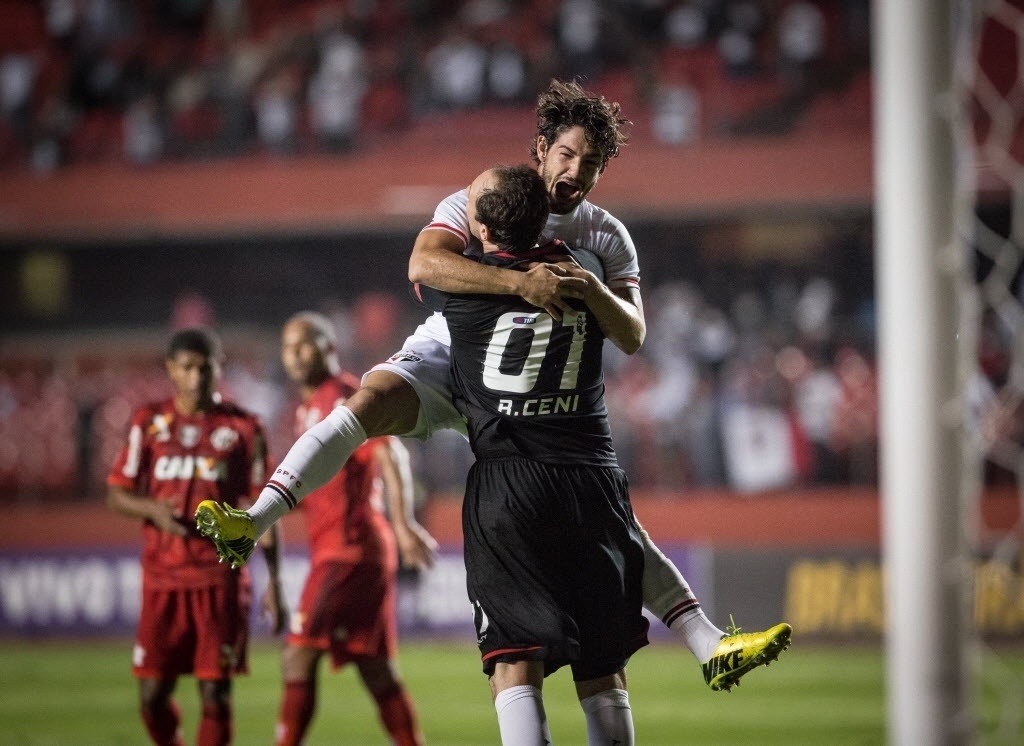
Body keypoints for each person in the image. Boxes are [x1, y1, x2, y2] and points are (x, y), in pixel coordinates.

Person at [196, 78, 790, 693]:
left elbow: (634, 332)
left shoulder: (606, 235)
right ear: (541, 148)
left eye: (590, 163)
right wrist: (520, 285)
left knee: (602, 511)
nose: (575, 171)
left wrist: (592, 293)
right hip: (451, 354)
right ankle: (255, 519)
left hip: (526, 385)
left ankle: (707, 642)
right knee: (364, 406)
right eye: (566, 155)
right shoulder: (477, 199)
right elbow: (423, 264)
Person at [421, 163, 649, 744]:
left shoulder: (463, 293)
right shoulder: (583, 277)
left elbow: (426, 263)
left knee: (514, 663)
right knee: (603, 670)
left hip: (512, 485)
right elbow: (630, 332)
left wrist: (507, 274)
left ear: (484, 229)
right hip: (590, 479)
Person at [107, 327, 286, 746]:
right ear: (171, 369)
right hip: (163, 578)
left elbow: (268, 506)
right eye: (186, 367)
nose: (196, 377)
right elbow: (116, 493)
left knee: (216, 694)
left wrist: (275, 584)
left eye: (205, 368)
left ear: (218, 368)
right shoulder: (147, 422)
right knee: (152, 696)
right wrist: (152, 509)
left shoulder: (244, 428)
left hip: (220, 579)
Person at [271, 311, 436, 746]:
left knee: (298, 654)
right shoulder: (306, 408)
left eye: (304, 343)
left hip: (350, 549)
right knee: (375, 669)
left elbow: (391, 453)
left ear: (328, 347)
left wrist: (403, 524)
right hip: (341, 549)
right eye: (288, 347)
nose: (294, 354)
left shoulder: (345, 396)